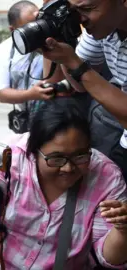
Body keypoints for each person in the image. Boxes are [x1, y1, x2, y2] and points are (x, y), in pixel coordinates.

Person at [0, 98, 127, 269]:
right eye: (56, 158)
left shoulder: (107, 177)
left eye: (80, 156)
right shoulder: (11, 157)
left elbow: (110, 258)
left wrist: (123, 231)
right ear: (33, 152)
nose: (67, 168)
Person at [40, 0, 127, 180]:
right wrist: (63, 46)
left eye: (87, 8)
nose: (80, 18)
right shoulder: (104, 28)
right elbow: (80, 84)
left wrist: (74, 63)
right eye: (74, 10)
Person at [0, 1, 52, 133]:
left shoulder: (52, 42)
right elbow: (1, 94)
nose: (36, 31)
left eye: (38, 23)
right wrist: (31, 94)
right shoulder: (1, 51)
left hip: (57, 113)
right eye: (29, 28)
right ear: (13, 30)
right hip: (28, 118)